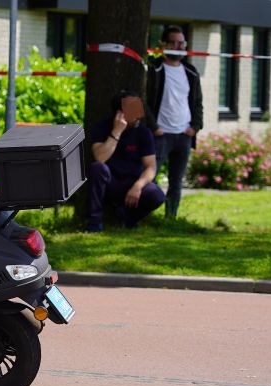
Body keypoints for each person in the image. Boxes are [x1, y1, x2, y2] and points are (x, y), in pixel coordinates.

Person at [84, 90, 165, 232]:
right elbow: (100, 158)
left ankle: (128, 218)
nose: (139, 114)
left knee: (156, 195)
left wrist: (138, 187)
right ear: (120, 112)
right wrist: (117, 132)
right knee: (97, 168)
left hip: (133, 183)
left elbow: (151, 167)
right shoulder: (102, 127)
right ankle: (94, 223)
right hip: (109, 182)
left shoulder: (144, 132)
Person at [146, 24, 203, 219]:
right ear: (163, 44)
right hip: (161, 135)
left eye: (182, 43)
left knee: (176, 182)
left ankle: (171, 218)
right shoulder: (154, 69)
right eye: (175, 43)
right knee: (150, 178)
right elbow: (143, 102)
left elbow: (197, 103)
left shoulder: (191, 72)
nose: (179, 47)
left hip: (184, 135)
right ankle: (146, 216)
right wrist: (154, 127)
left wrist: (195, 127)